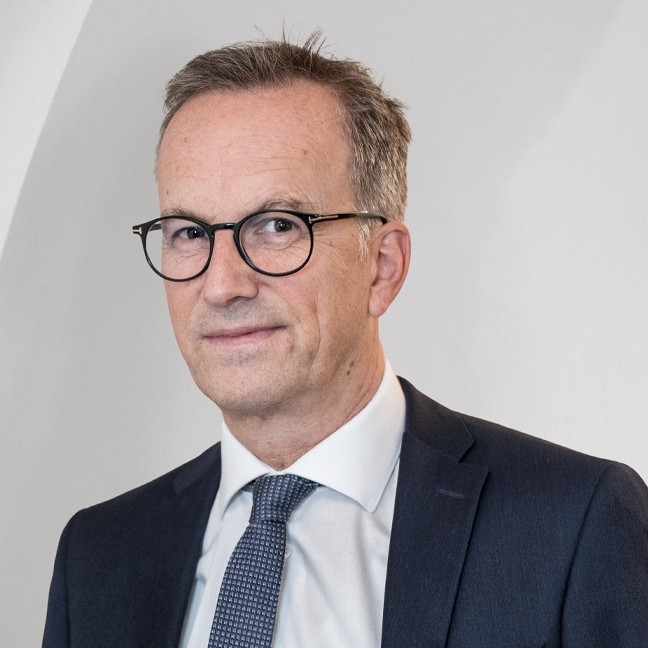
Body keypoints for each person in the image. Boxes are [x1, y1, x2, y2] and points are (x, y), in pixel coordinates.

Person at [42, 34, 648, 648]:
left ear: (382, 267)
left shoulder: (574, 525)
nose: (221, 285)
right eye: (190, 233)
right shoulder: (99, 557)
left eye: (277, 225)